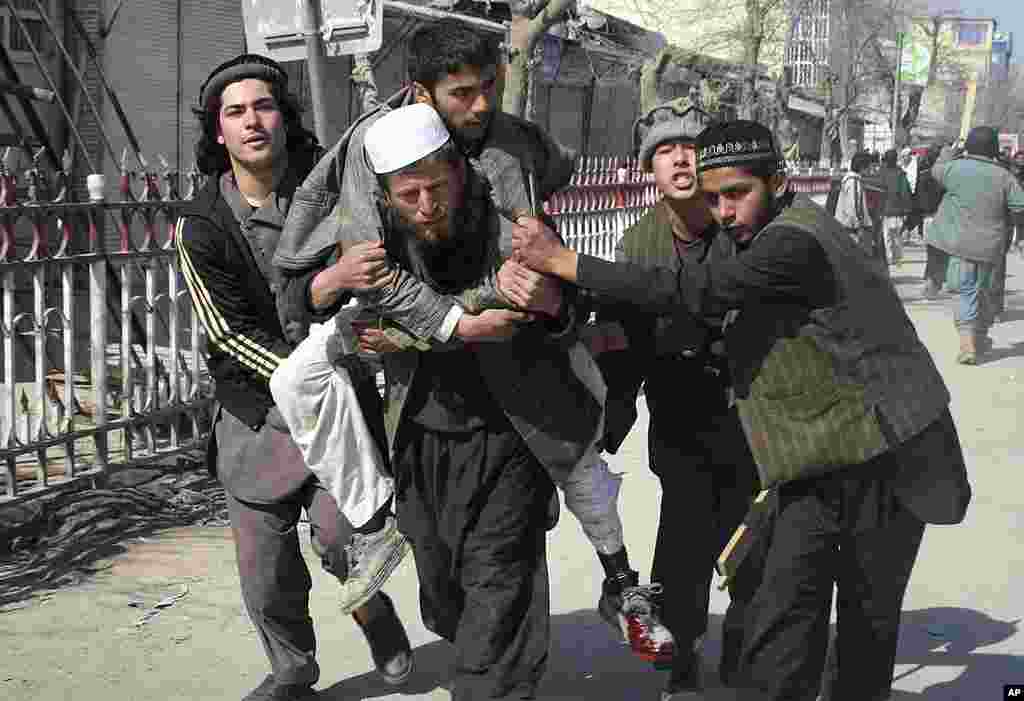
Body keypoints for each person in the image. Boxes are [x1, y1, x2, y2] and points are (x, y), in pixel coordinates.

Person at [511, 119, 972, 701]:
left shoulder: (794, 240)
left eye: (737, 194)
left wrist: (566, 262)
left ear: (778, 182)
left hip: (887, 454)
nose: (724, 211)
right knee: (780, 633)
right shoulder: (738, 234)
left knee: (865, 626)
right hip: (814, 464)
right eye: (714, 198)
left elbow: (697, 290)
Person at [272, 20, 671, 662]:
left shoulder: (510, 151)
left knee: (568, 465)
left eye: (490, 86)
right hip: (423, 409)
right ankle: (374, 526)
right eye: (462, 93)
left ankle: (619, 581)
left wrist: (545, 295)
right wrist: (454, 322)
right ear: (422, 95)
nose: (481, 104)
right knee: (446, 584)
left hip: (514, 393)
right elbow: (365, 281)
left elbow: (539, 260)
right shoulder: (376, 156)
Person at [174, 54, 412, 700]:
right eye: (235, 112)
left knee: (341, 538)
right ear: (217, 131)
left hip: (337, 404)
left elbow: (371, 280)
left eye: (264, 106)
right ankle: (293, 671)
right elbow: (224, 333)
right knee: (265, 571)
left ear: (284, 118)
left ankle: (372, 609)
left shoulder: (331, 201)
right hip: (256, 414)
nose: (252, 121)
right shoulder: (200, 224)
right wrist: (298, 379)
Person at [357, 102, 603, 699]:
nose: (426, 206)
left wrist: (547, 302)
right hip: (420, 440)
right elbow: (337, 318)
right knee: (447, 600)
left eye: (436, 188)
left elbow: (569, 310)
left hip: (512, 435)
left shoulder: (511, 224)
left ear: (459, 175)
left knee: (499, 594)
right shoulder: (376, 242)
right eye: (408, 195)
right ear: (387, 197)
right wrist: (437, 328)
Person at [585, 99, 760, 700]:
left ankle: (745, 655)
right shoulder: (639, 243)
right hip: (680, 411)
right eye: (664, 150)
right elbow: (625, 341)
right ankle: (679, 660)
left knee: (752, 540)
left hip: (750, 410)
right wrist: (607, 420)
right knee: (683, 543)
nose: (679, 157)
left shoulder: (738, 226)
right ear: (649, 169)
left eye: (688, 146)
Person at [925, 126, 1024, 363]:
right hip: (992, 248)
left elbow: (935, 170)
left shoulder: (954, 169)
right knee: (986, 294)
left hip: (960, 245)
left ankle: (968, 344)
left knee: (967, 292)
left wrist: (949, 151)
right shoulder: (1005, 176)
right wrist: (1017, 235)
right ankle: (979, 337)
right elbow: (1019, 207)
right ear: (993, 149)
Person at [833, 151, 875, 255]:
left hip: (847, 227)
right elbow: (854, 207)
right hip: (852, 230)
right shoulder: (854, 182)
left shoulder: (850, 180)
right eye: (869, 166)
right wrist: (859, 227)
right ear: (862, 166)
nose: (871, 169)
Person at [877, 148, 914, 265]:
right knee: (897, 236)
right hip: (898, 210)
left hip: (884, 210)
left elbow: (878, 191)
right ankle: (897, 258)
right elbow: (905, 193)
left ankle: (889, 256)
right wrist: (907, 210)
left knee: (886, 235)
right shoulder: (900, 174)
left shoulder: (881, 173)